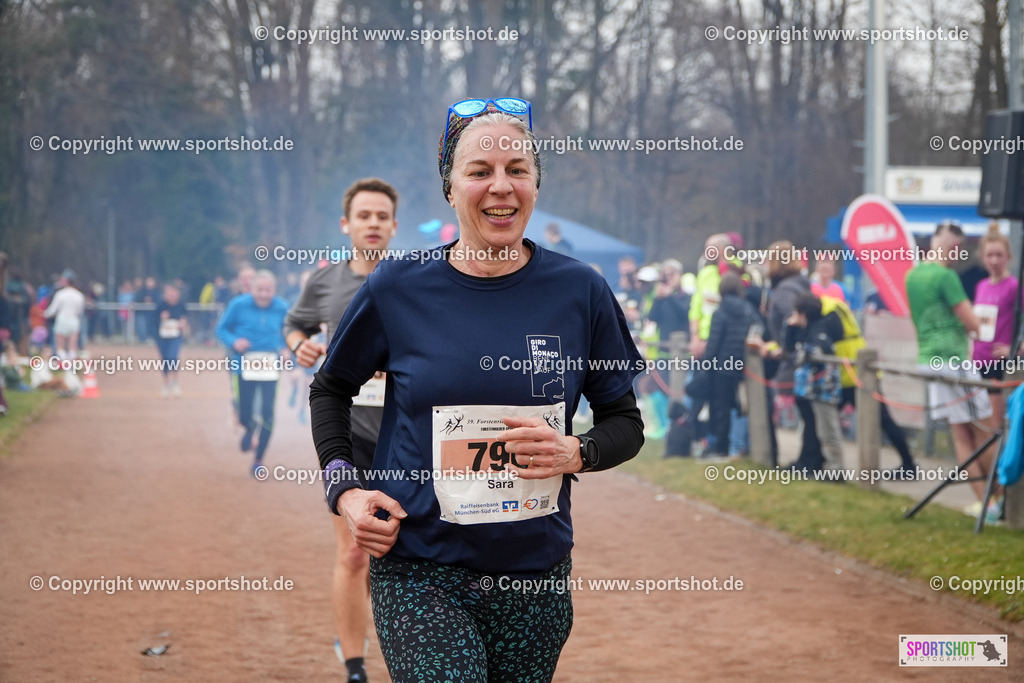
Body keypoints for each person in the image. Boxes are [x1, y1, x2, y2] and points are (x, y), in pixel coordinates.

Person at [309, 97, 644, 682]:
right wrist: (346, 489)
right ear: (450, 187)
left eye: (518, 170)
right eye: (480, 171)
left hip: (535, 576)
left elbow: (625, 421)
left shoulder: (580, 290)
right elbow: (331, 389)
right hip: (420, 570)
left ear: (536, 184)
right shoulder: (398, 287)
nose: (501, 187)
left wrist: (579, 451)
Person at [284, 177, 400, 683]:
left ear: (394, 226)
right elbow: (294, 324)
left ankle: (405, 653)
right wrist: (300, 345)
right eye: (364, 216)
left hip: (403, 437)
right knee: (354, 551)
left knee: (396, 553)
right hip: (347, 434)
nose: (372, 224)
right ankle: (355, 665)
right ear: (346, 224)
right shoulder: (325, 282)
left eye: (381, 217)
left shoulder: (411, 280)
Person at [906, 221, 1002, 521]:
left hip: (929, 357)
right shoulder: (946, 277)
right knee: (985, 430)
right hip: (954, 359)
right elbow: (973, 323)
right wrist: (977, 323)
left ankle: (984, 504)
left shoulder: (912, 275)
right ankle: (998, 501)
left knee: (960, 436)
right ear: (956, 247)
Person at [216, 270, 289, 476]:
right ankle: (249, 428)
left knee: (268, 412)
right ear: (252, 289)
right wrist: (234, 341)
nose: (264, 294)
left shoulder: (283, 307)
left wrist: (286, 348)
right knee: (244, 412)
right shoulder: (238, 305)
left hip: (270, 366)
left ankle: (258, 460)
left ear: (274, 290)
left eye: (268, 290)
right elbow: (221, 329)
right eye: (260, 290)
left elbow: (291, 332)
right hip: (243, 366)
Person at [784, 293, 845, 477]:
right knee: (816, 430)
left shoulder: (819, 330)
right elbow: (790, 349)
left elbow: (813, 352)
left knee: (828, 430)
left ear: (803, 314)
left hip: (822, 390)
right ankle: (820, 464)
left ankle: (836, 470)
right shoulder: (807, 329)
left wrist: (802, 353)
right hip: (811, 390)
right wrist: (790, 328)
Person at [700, 272, 759, 458]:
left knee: (721, 408)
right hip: (742, 365)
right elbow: (759, 328)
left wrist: (705, 366)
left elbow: (714, 343)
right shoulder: (748, 309)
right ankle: (743, 446)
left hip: (721, 366)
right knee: (742, 407)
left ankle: (721, 447)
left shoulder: (720, 311)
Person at [973, 222, 1019, 424]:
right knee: (980, 424)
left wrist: (1016, 350)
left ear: (1008, 256)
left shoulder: (1014, 286)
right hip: (976, 362)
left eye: (999, 255)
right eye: (989, 255)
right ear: (982, 257)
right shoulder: (981, 286)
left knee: (995, 425)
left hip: (998, 365)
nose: (994, 260)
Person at [155, 282, 189, 398]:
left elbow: (185, 318)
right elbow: (153, 322)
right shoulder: (160, 306)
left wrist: (183, 323)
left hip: (175, 336)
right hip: (162, 337)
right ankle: (166, 384)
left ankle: (175, 382)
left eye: (174, 293)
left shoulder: (181, 306)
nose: (171, 296)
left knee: (172, 357)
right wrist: (161, 318)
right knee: (165, 360)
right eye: (169, 293)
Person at [44, 273, 86, 360]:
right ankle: (71, 365)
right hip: (74, 321)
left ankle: (63, 363)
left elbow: (53, 310)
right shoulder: (79, 295)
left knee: (60, 347)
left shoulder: (60, 294)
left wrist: (45, 314)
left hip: (62, 321)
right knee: (72, 347)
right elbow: (80, 311)